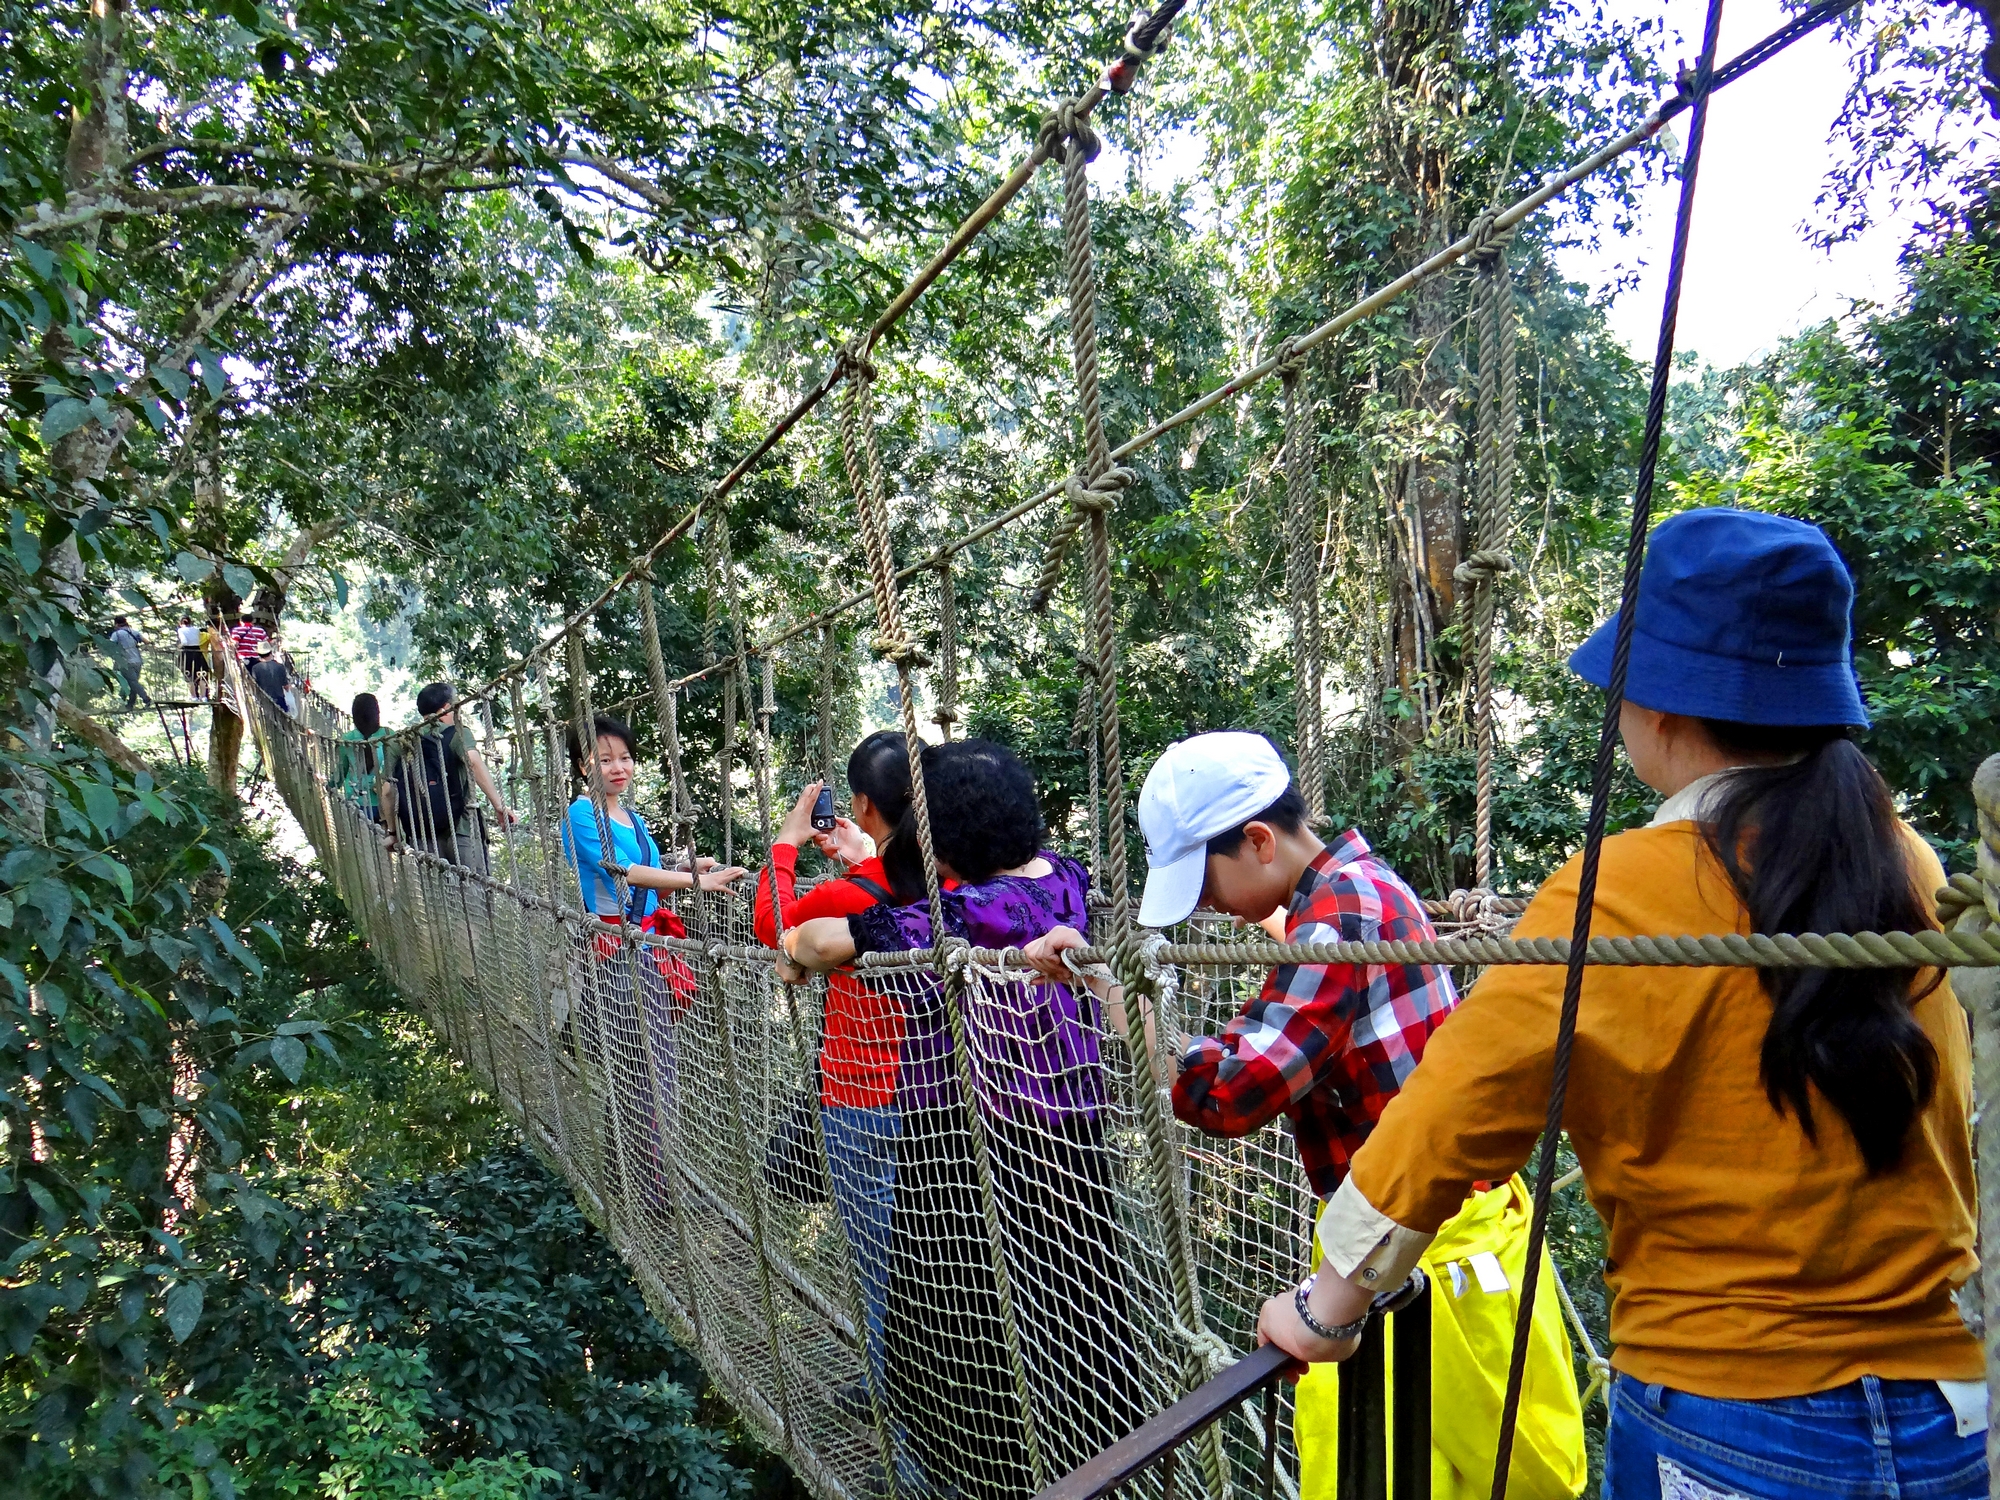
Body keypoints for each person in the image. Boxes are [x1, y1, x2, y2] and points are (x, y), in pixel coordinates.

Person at [1257, 508, 1984, 1500]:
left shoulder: (1623, 889)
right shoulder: (1900, 859)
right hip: (1948, 1412)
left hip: (1728, 1420)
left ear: (1664, 709)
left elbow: (1452, 1113)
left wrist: (1329, 1306)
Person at [1025, 733, 1581, 1498]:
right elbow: (1261, 1035)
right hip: (1429, 1230)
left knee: (1464, 1475)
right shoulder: (1356, 888)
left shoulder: (1336, 918)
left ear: (1257, 841)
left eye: (1207, 882)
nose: (1208, 906)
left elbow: (1232, 1094)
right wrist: (1105, 986)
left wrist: (1124, 1013)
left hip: (1429, 1246)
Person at [785, 738, 1149, 1500]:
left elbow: (817, 939)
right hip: (1071, 1144)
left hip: (964, 1146)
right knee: (1074, 1329)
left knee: (959, 1344)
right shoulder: (1069, 883)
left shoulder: (956, 917)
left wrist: (796, 944)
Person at [755, 731, 917, 1409]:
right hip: (937, 1095)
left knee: (878, 1266)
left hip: (860, 1102)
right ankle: (890, 1389)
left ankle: (897, 1418)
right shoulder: (950, 882)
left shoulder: (850, 897)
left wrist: (788, 842)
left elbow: (773, 924)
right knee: (925, 1262)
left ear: (862, 805)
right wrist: (866, 851)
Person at [561, 715, 747, 1208]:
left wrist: (688, 868)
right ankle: (653, 1193)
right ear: (583, 767)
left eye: (624, 757)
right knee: (652, 1069)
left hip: (644, 949)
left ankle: (622, 1179)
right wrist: (694, 883)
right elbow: (622, 871)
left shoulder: (631, 816)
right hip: (616, 951)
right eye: (604, 759)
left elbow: (649, 871)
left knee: (640, 1067)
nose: (618, 768)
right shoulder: (582, 816)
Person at [381, 681, 515, 874]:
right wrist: (499, 805)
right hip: (462, 831)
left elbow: (387, 791)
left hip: (422, 837)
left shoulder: (400, 741)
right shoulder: (456, 733)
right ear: (446, 708)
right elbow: (473, 761)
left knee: (436, 900)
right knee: (475, 895)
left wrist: (393, 833)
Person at [336, 692, 392, 819]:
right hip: (385, 804)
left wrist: (327, 788)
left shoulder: (347, 740)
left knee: (360, 837)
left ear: (355, 716)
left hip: (356, 803)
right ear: (377, 713)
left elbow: (340, 773)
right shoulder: (389, 735)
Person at [108, 616, 149, 708]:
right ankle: (130, 704)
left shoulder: (117, 634)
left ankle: (146, 698)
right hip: (137, 660)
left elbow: (109, 645)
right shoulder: (133, 631)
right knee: (133, 682)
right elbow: (147, 642)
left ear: (116, 624)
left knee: (132, 682)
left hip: (125, 662)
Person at [247, 638, 291, 713]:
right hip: (279, 701)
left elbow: (254, 685)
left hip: (263, 701)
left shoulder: (255, 668)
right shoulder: (280, 666)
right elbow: (286, 687)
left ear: (259, 654)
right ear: (270, 652)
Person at [176, 615, 205, 698]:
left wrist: (179, 646)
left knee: (188, 675)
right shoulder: (196, 630)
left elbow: (184, 642)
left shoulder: (181, 630)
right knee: (201, 674)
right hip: (197, 652)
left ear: (180, 623)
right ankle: (203, 697)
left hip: (187, 653)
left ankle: (194, 696)